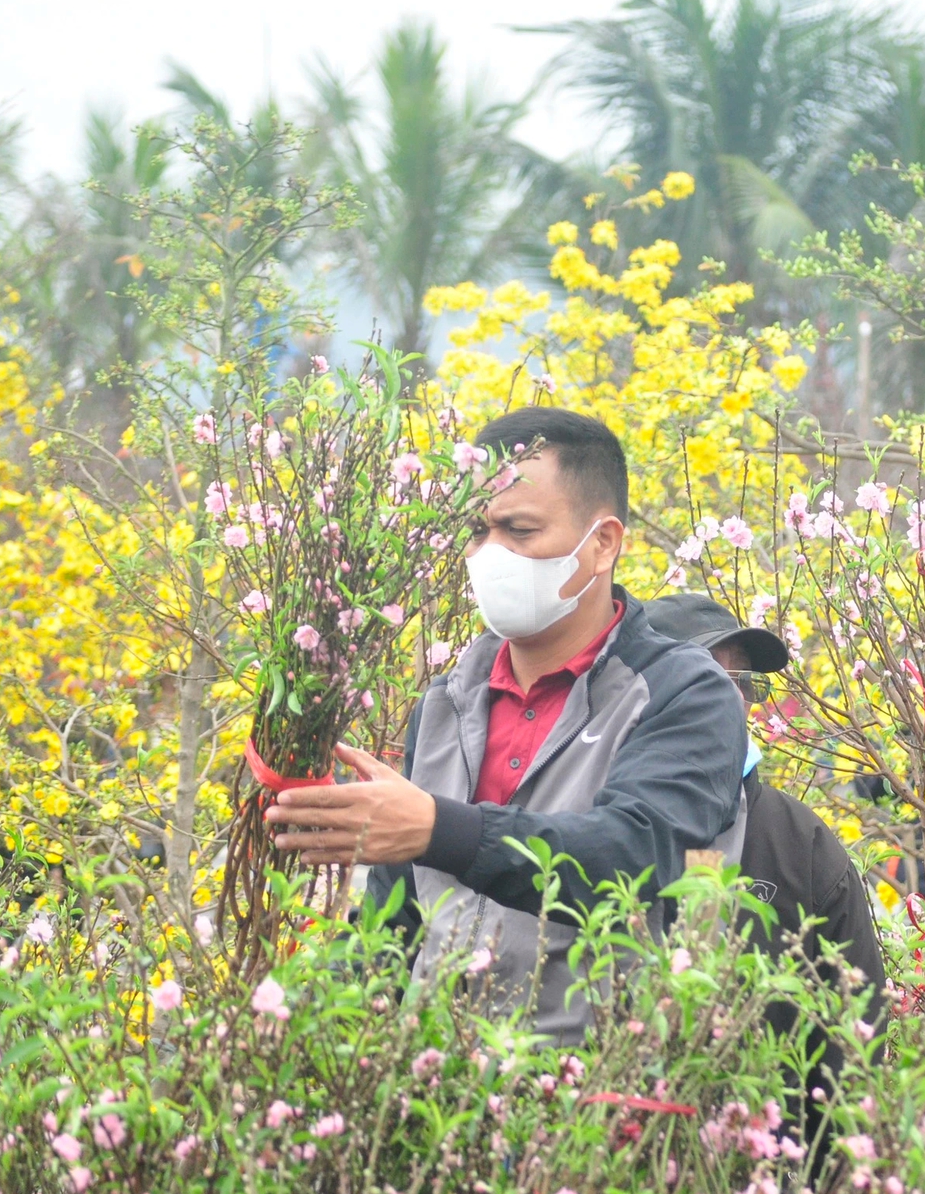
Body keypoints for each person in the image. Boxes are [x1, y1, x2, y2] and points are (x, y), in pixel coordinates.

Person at [265, 407, 749, 1044]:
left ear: (603, 542)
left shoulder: (681, 693)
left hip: (593, 1093)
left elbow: (631, 855)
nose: (492, 554)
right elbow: (394, 927)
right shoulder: (446, 701)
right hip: (436, 1088)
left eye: (519, 530)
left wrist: (441, 830)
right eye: (477, 530)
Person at [640, 593, 888, 1092]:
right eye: (704, 676)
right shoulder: (587, 815)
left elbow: (857, 1041)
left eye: (742, 683)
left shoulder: (800, 842)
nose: (730, 700)